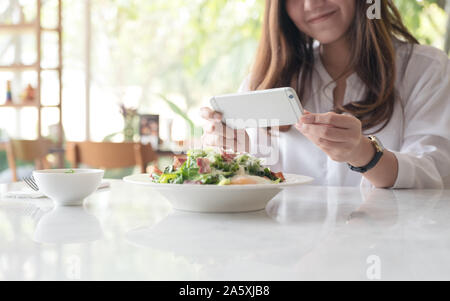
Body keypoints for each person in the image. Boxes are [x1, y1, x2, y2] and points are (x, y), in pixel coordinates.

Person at [200, 0, 450, 189]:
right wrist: (229, 155)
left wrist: (364, 154)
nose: (312, 4)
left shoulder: (425, 68)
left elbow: (436, 173)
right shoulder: (264, 82)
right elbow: (249, 186)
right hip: (288, 252)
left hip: (388, 250)